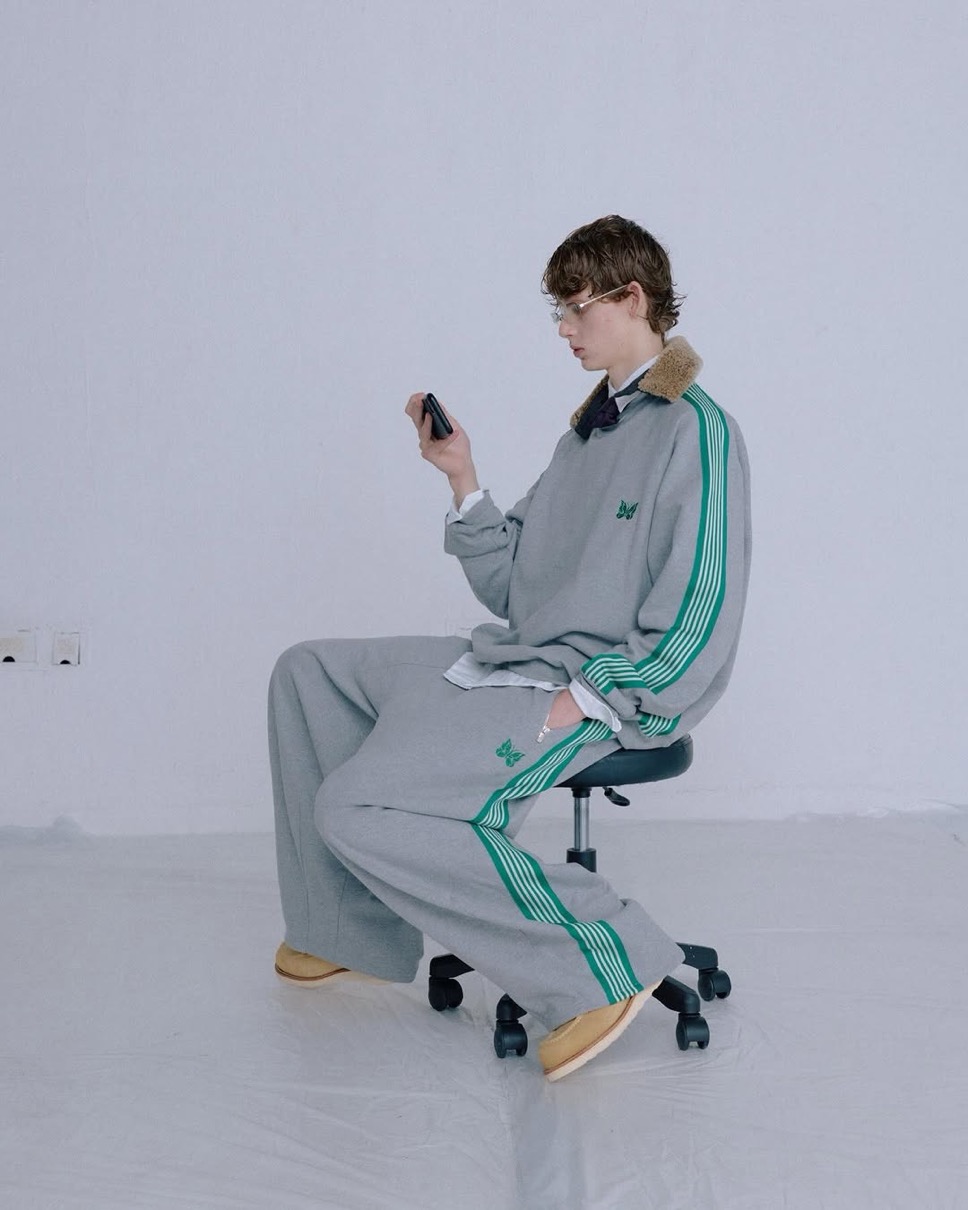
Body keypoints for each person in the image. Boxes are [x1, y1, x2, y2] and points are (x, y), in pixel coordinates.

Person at [269, 215, 751, 1081]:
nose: (563, 330)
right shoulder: (590, 432)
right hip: (518, 661)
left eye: (576, 308)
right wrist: (460, 475)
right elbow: (516, 586)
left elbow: (702, 607)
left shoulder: (695, 431)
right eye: (557, 311)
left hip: (603, 691)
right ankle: (346, 930)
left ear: (631, 298)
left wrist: (589, 698)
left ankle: (602, 962)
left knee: (354, 807)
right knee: (309, 673)